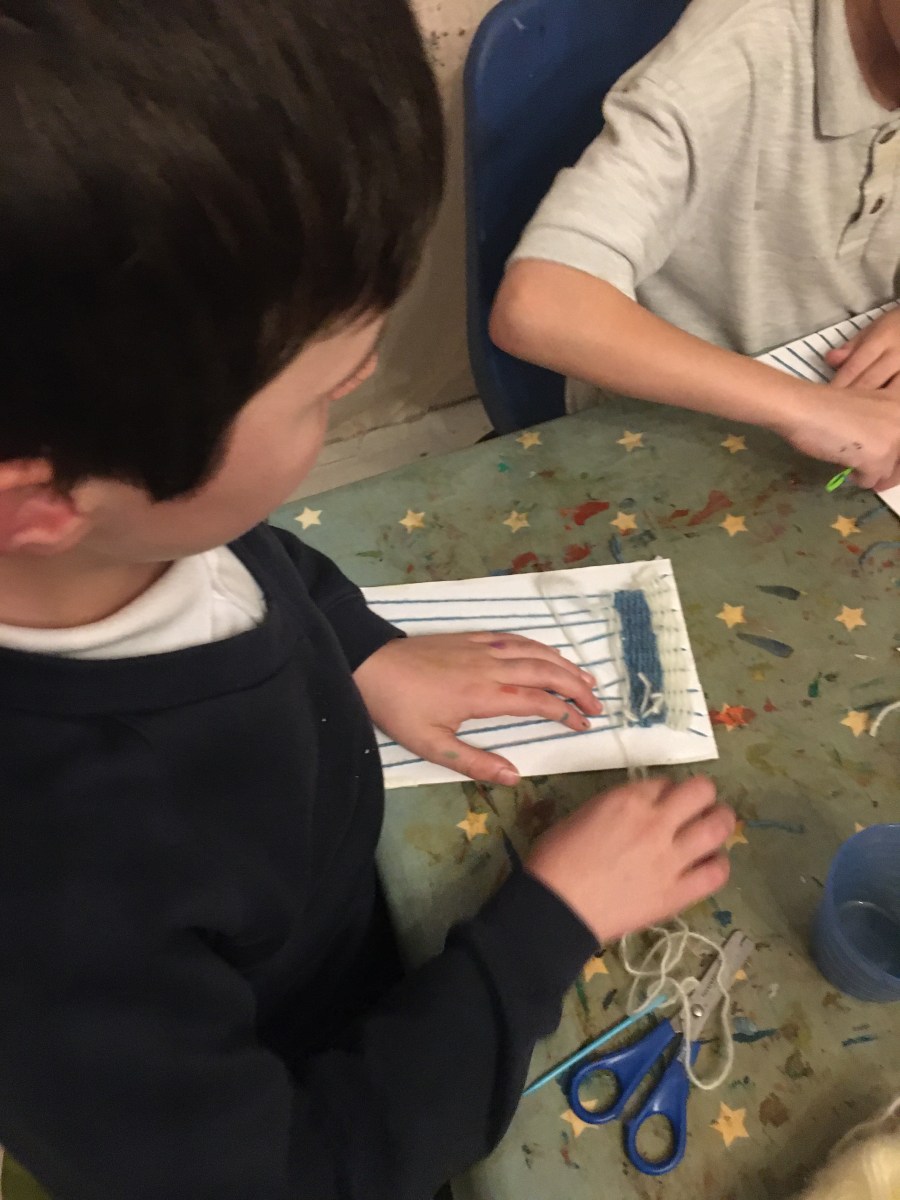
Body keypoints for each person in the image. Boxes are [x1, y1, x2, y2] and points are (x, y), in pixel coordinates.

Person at [0, 3, 736, 1198]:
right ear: (38, 502)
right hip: (324, 1053)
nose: (368, 381)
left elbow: (241, 552)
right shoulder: (59, 901)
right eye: (327, 394)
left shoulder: (110, 526)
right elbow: (293, 1173)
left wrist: (358, 648)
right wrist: (546, 925)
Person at [491, 0, 900, 491]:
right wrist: (813, 409)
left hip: (849, 391)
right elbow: (540, 304)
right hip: (679, 419)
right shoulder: (727, 59)